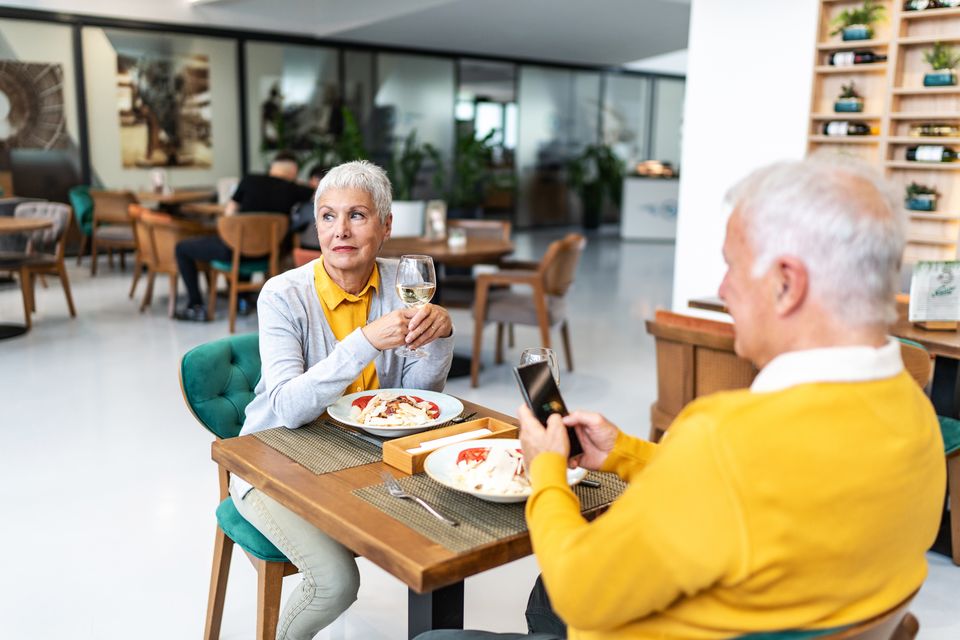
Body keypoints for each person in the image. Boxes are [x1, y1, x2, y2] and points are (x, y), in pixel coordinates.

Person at [418, 158, 946, 640]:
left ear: (787, 284)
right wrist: (623, 453)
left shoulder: (725, 436)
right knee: (545, 601)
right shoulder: (915, 412)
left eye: (733, 267)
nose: (723, 287)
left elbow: (582, 589)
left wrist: (547, 472)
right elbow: (755, 496)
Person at [233, 160, 455, 640]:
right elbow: (290, 409)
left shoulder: (405, 283)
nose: (341, 231)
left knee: (451, 536)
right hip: (271, 459)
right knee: (335, 584)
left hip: (359, 455)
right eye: (328, 217)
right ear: (316, 226)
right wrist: (366, 341)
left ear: (386, 225)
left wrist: (439, 337)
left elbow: (420, 399)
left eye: (358, 215)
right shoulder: (282, 295)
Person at [173, 151, 314, 320]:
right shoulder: (296, 189)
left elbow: (229, 213)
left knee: (182, 248)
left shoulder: (250, 180)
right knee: (249, 243)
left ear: (272, 169)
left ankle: (195, 306)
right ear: (294, 172)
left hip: (235, 251)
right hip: (270, 254)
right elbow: (318, 192)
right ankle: (242, 299)